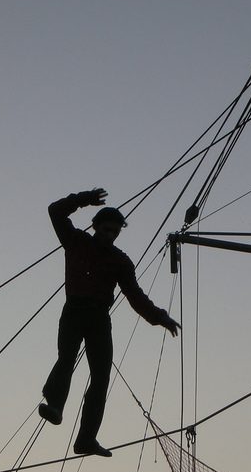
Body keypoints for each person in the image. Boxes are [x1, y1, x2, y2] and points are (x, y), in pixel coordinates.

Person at [38, 188, 180, 457]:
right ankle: (55, 403)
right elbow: (55, 211)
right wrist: (85, 199)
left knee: (101, 377)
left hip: (99, 318)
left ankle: (86, 438)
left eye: (114, 232)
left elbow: (135, 296)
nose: (109, 236)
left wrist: (160, 317)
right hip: (74, 310)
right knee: (66, 359)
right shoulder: (76, 241)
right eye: (105, 230)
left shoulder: (120, 262)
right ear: (96, 227)